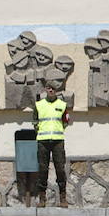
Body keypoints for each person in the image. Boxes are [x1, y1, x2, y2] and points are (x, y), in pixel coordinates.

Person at [34, 70, 71, 208]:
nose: (51, 90)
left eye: (53, 89)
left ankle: (63, 197)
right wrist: (39, 130)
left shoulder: (62, 105)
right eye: (49, 88)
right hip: (43, 141)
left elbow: (66, 121)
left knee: (60, 169)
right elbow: (34, 121)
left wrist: (59, 130)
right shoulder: (39, 105)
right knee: (42, 169)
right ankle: (42, 198)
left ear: (56, 91)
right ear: (46, 90)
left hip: (57, 141)